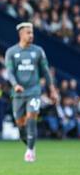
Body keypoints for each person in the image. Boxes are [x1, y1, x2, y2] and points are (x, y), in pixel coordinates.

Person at [5, 22, 58, 162]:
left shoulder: (38, 51)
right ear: (21, 34)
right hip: (17, 94)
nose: (31, 35)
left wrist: (52, 89)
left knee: (31, 119)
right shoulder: (11, 52)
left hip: (34, 91)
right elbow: (9, 72)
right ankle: (30, 145)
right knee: (21, 125)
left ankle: (29, 151)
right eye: (28, 33)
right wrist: (15, 85)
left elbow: (46, 72)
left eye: (32, 32)